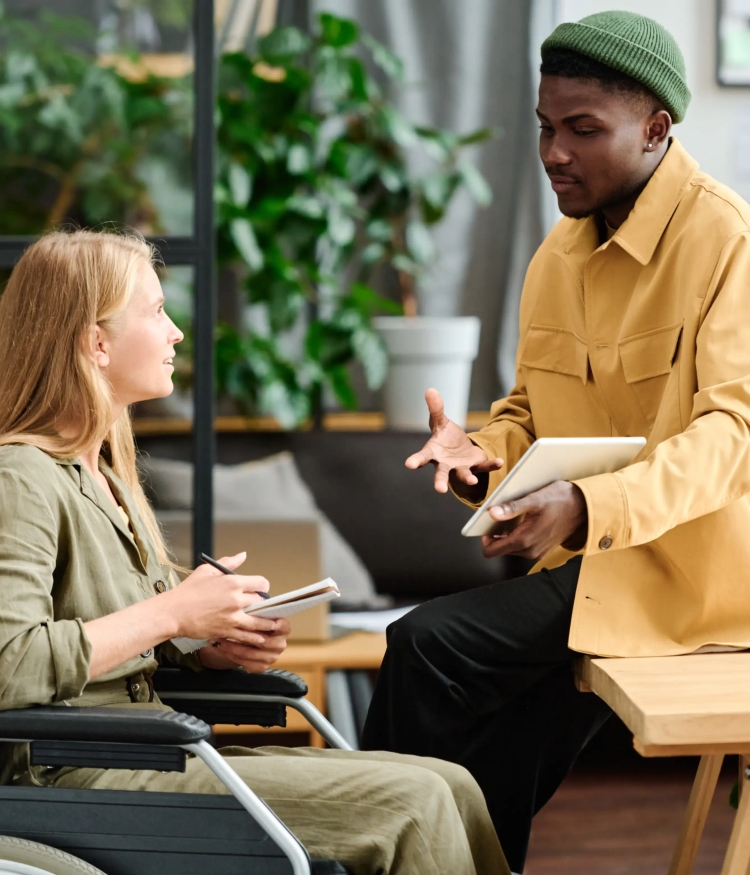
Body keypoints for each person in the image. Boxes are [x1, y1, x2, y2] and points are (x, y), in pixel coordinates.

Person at [362, 10, 750, 873]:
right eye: (545, 127)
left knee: (426, 646)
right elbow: (530, 412)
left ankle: (373, 853)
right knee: (499, 743)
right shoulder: (556, 258)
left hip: (690, 579)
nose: (553, 154)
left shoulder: (728, 240)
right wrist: (480, 452)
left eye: (583, 130)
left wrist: (581, 504)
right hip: (592, 573)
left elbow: (735, 436)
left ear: (656, 130)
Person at [0, 230, 510, 875]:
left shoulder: (104, 473)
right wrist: (172, 615)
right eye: (156, 311)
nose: (177, 332)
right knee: (416, 803)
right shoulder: (20, 477)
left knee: (451, 783)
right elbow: (8, 664)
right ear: (96, 342)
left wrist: (207, 644)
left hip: (146, 750)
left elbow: (117, 636)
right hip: (72, 776)